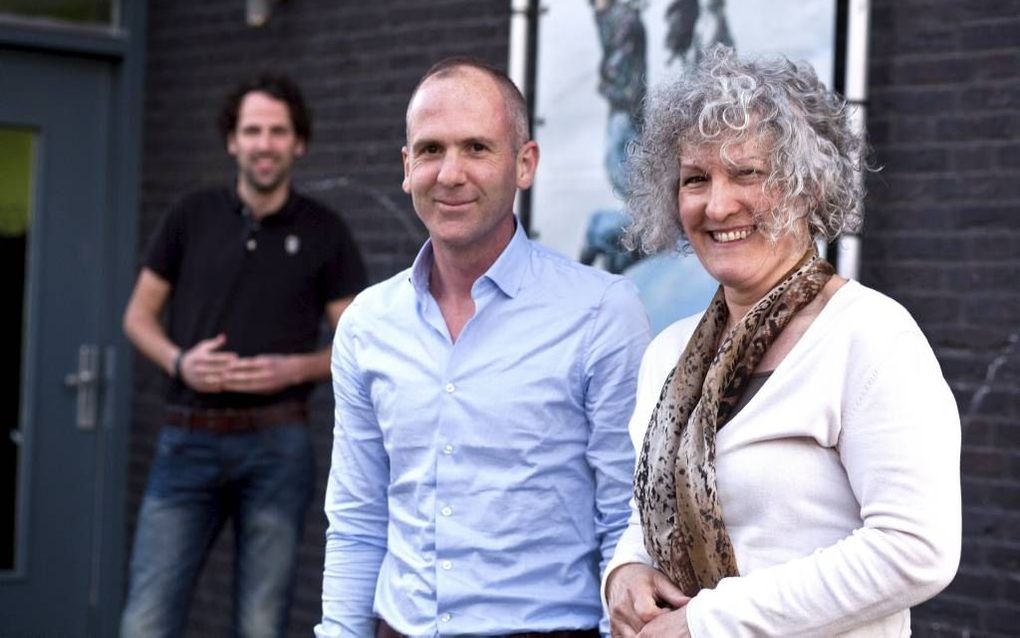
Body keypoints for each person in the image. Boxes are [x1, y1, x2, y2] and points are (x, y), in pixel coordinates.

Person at [604, 46, 961, 637]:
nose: (718, 204)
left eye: (748, 173)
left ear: (806, 184)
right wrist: (626, 570)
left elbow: (915, 550)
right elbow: (652, 513)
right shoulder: (668, 353)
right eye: (696, 179)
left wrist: (710, 622)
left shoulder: (870, 338)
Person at [316, 57, 650, 637]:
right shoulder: (368, 323)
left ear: (525, 164)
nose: (449, 173)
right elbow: (357, 516)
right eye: (430, 150)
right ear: (406, 166)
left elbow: (626, 518)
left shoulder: (600, 313)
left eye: (476, 148)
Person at [120, 73, 366, 638]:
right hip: (186, 440)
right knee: (145, 621)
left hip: (276, 449)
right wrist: (180, 362)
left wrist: (295, 368)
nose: (264, 143)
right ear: (232, 140)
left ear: (298, 143)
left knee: (260, 624)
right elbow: (136, 318)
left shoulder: (325, 231)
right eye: (252, 130)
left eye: (278, 131)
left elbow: (358, 347)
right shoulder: (190, 216)